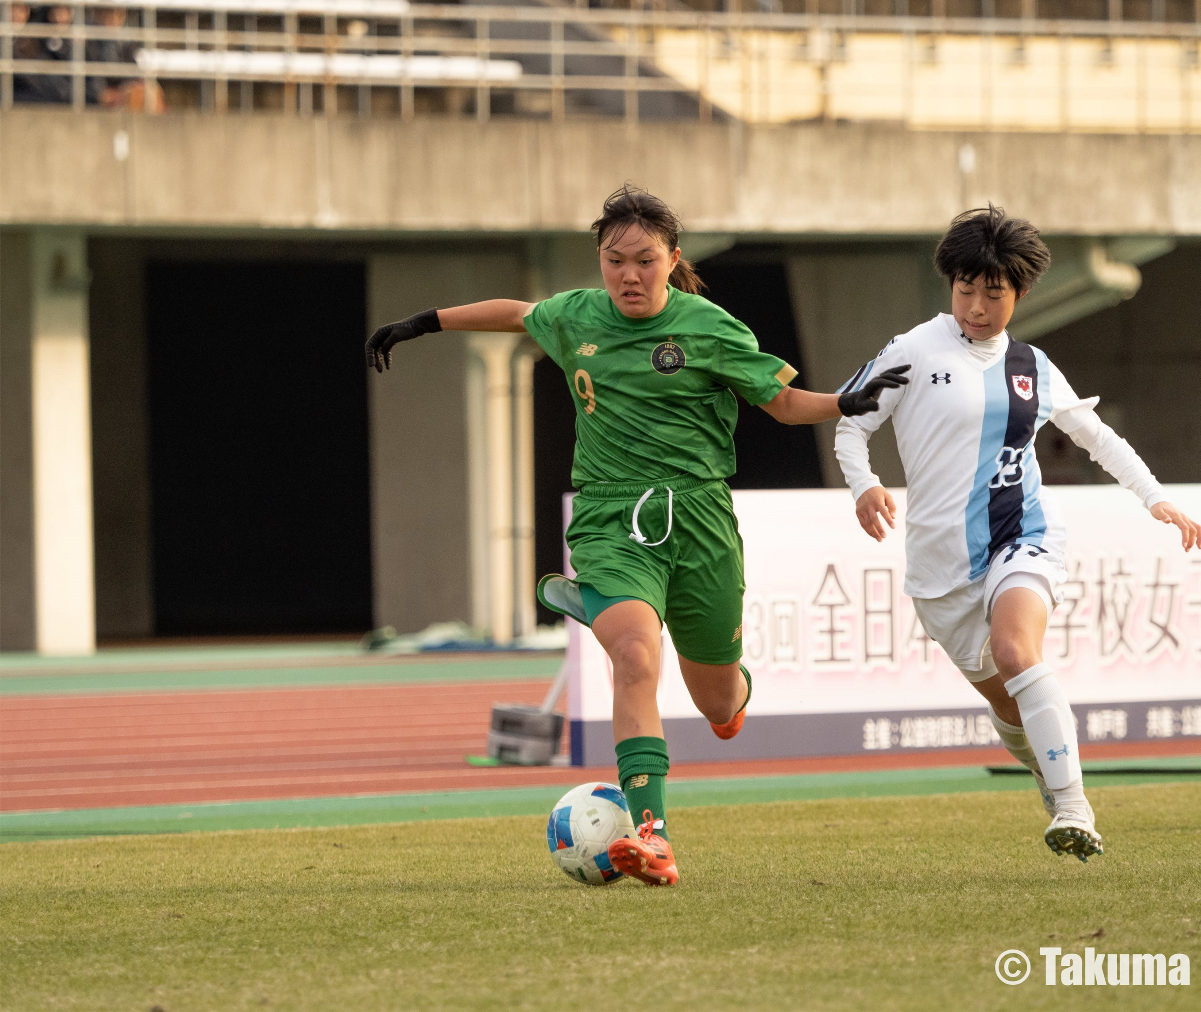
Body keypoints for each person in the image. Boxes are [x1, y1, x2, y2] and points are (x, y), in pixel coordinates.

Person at [366, 185, 908, 886]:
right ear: (599, 261)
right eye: (614, 260)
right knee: (633, 655)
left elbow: (780, 401)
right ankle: (653, 834)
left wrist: (844, 401)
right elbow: (519, 314)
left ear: (672, 259)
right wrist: (423, 322)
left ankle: (725, 690)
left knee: (718, 704)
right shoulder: (577, 316)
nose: (628, 274)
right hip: (609, 518)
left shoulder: (710, 328)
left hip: (701, 521)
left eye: (644, 260)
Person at [834, 205, 1201, 862]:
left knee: (1015, 650)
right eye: (966, 290)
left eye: (993, 293)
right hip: (939, 571)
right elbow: (849, 425)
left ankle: (1074, 807)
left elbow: (1096, 438)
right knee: (1008, 708)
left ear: (1019, 292)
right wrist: (864, 485)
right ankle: (1047, 776)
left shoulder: (1032, 366)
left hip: (1022, 536)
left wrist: (1157, 500)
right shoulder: (913, 350)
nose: (977, 306)